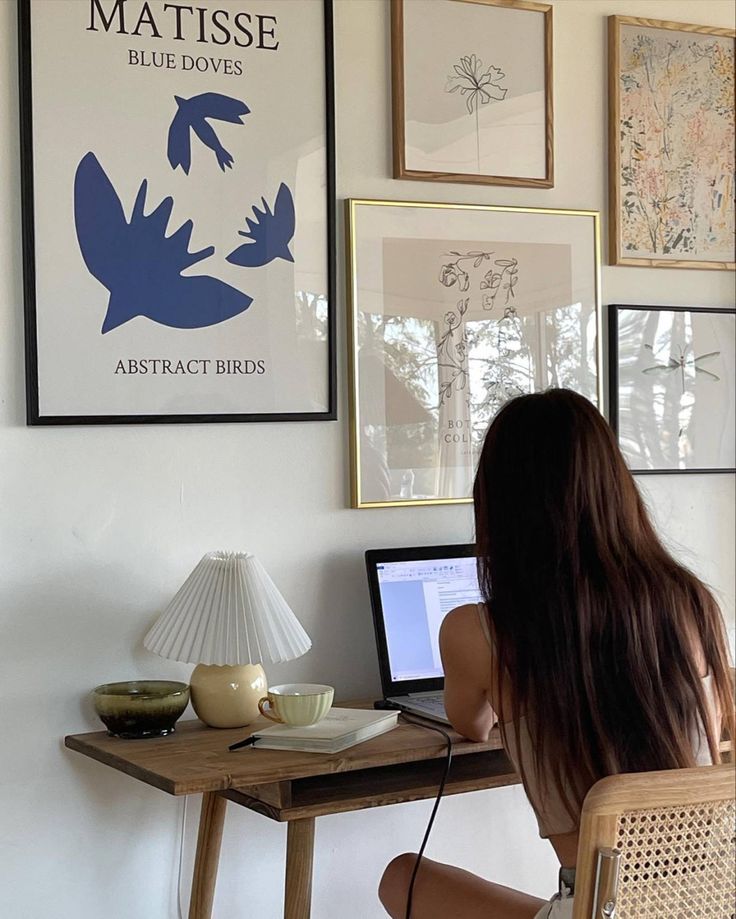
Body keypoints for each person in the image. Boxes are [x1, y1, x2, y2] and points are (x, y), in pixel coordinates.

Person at [378, 389, 734, 919]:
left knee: (401, 878)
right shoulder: (690, 601)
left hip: (597, 910)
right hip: (710, 901)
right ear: (615, 485)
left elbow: (472, 726)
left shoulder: (478, 630)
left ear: (499, 504)